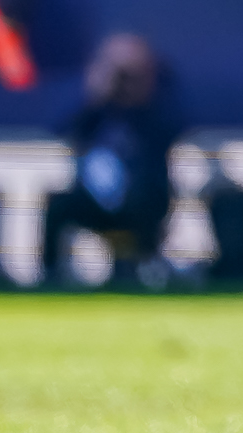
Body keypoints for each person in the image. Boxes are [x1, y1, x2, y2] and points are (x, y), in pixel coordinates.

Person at [41, 33, 183, 286]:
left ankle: (142, 268)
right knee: (58, 203)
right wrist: (99, 92)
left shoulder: (154, 115)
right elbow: (66, 129)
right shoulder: (97, 115)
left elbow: (168, 133)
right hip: (96, 200)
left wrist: (141, 90)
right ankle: (50, 274)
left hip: (141, 200)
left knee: (146, 197)